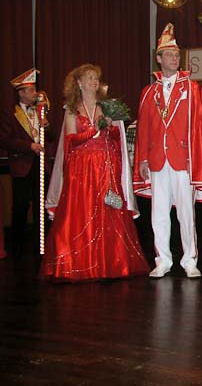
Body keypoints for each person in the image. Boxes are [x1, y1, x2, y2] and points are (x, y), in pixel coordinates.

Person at [41, 64, 148, 281]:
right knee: (81, 211)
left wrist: (110, 127)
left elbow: (117, 139)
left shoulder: (108, 106)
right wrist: (94, 130)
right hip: (82, 168)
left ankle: (112, 262)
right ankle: (80, 263)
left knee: (110, 209)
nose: (94, 81)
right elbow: (72, 139)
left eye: (96, 78)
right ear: (78, 83)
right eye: (89, 78)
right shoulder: (72, 109)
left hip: (106, 165)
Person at [133, 23, 202, 279]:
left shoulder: (192, 89)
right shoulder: (148, 92)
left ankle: (189, 260)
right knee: (158, 213)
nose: (174, 59)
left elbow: (200, 126)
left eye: (177, 55)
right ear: (158, 59)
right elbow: (144, 128)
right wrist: (143, 159)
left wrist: (196, 158)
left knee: (186, 213)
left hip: (183, 159)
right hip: (157, 159)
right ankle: (163, 260)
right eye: (169, 55)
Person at [0, 69, 52, 259]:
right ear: (20, 93)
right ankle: (17, 247)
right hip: (22, 165)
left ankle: (42, 245)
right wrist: (29, 146)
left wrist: (47, 126)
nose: (34, 93)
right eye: (30, 90)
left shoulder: (41, 111)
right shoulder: (10, 113)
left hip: (41, 164)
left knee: (42, 206)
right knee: (21, 205)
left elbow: (51, 137)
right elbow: (5, 140)